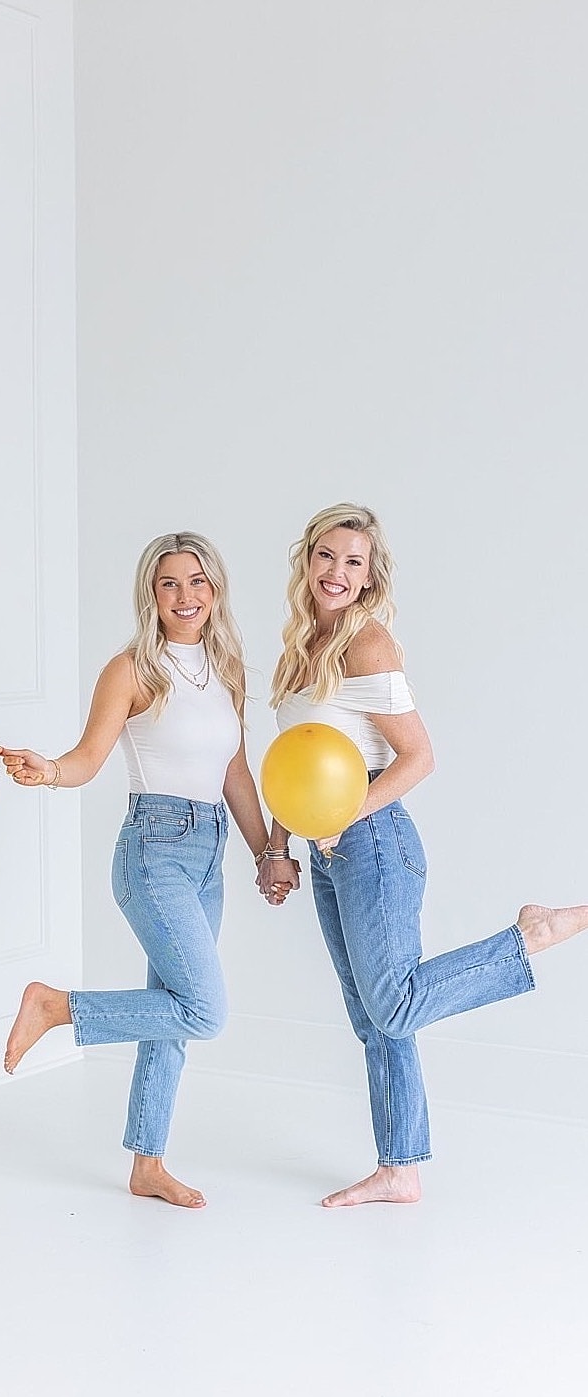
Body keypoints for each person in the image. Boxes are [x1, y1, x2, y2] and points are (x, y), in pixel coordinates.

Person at [256, 502, 588, 1207]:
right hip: (327, 847)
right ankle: (399, 1167)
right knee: (373, 1017)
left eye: (353, 561)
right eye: (326, 555)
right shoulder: (300, 647)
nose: (337, 571)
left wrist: (343, 816)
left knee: (395, 1002)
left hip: (373, 838)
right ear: (306, 560)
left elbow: (418, 757)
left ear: (369, 576)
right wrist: (278, 846)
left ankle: (530, 935)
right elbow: (294, 766)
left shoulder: (367, 643)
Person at [0, 531, 293, 1209]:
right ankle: (55, 1006)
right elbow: (87, 758)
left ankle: (147, 1164)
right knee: (204, 1010)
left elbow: (235, 772)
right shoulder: (131, 669)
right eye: (169, 584)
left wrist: (266, 853)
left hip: (209, 854)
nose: (184, 596)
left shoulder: (227, 669)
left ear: (214, 589)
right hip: (152, 851)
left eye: (197, 581)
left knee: (175, 1015)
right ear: (151, 595)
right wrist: (48, 771)